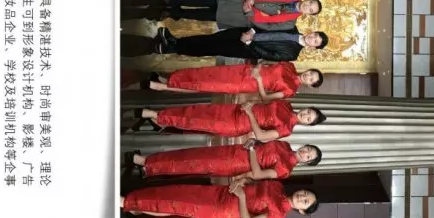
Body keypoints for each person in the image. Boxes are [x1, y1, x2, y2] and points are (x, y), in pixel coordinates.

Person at [120, 180, 318, 218]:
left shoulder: (279, 214)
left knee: (177, 205)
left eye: (305, 201)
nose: (302, 196)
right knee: (176, 193)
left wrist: (241, 196)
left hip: (221, 210)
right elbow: (253, 184)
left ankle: (125, 202)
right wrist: (242, 182)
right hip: (221, 193)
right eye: (306, 194)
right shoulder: (278, 186)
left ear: (301, 211)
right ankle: (134, 205)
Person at [128, 140, 322, 179]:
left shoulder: (286, 170)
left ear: (306, 162)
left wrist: (252, 151)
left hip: (234, 163)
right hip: (233, 151)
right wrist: (254, 142)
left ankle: (146, 165)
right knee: (191, 154)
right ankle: (147, 162)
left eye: (308, 156)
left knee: (193, 164)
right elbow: (262, 146)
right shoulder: (285, 145)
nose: (305, 152)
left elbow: (258, 174)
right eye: (308, 149)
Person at [131, 100, 325, 139]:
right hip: (235, 110)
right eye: (309, 112)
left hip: (236, 124)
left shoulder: (287, 129)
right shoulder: (286, 105)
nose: (306, 115)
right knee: (196, 110)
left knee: (196, 122)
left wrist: (250, 114)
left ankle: (154, 115)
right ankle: (159, 117)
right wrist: (251, 103)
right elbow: (265, 101)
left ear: (307, 124)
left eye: (309, 119)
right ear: (306, 107)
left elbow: (261, 136)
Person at [145, 0, 321, 30]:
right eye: (310, 3)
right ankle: (173, 0)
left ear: (308, 14)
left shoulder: (289, 23)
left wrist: (249, 12)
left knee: (199, 15)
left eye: (311, 10)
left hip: (238, 16)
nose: (307, 6)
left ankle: (172, 13)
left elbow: (267, 27)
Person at [148, 61, 323, 97]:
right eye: (311, 73)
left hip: (244, 83)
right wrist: (258, 66)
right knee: (204, 72)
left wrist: (258, 79)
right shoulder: (290, 66)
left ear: (310, 85)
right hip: (243, 70)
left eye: (311, 79)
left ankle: (164, 87)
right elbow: (267, 62)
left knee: (204, 84)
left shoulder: (291, 90)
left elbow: (266, 97)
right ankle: (168, 79)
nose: (308, 76)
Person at [157, 27, 329, 61]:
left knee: (211, 48)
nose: (312, 38)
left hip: (246, 48)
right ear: (312, 31)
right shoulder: (292, 27)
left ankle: (173, 48)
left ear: (313, 47)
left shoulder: (292, 54)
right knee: (210, 38)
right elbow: (269, 24)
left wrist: (249, 43)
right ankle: (177, 41)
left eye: (315, 42)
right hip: (245, 31)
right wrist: (251, 32)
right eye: (315, 35)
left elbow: (269, 55)